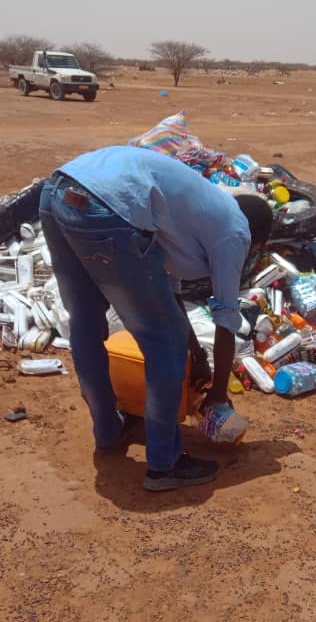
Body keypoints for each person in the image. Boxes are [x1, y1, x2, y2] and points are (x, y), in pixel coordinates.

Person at [39, 146, 272, 492]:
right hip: (107, 206)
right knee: (165, 344)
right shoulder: (235, 233)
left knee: (86, 325)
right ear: (256, 241)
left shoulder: (194, 215)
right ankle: (164, 465)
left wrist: (198, 356)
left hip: (57, 192)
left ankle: (108, 433)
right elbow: (226, 319)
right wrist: (218, 393)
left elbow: (169, 290)